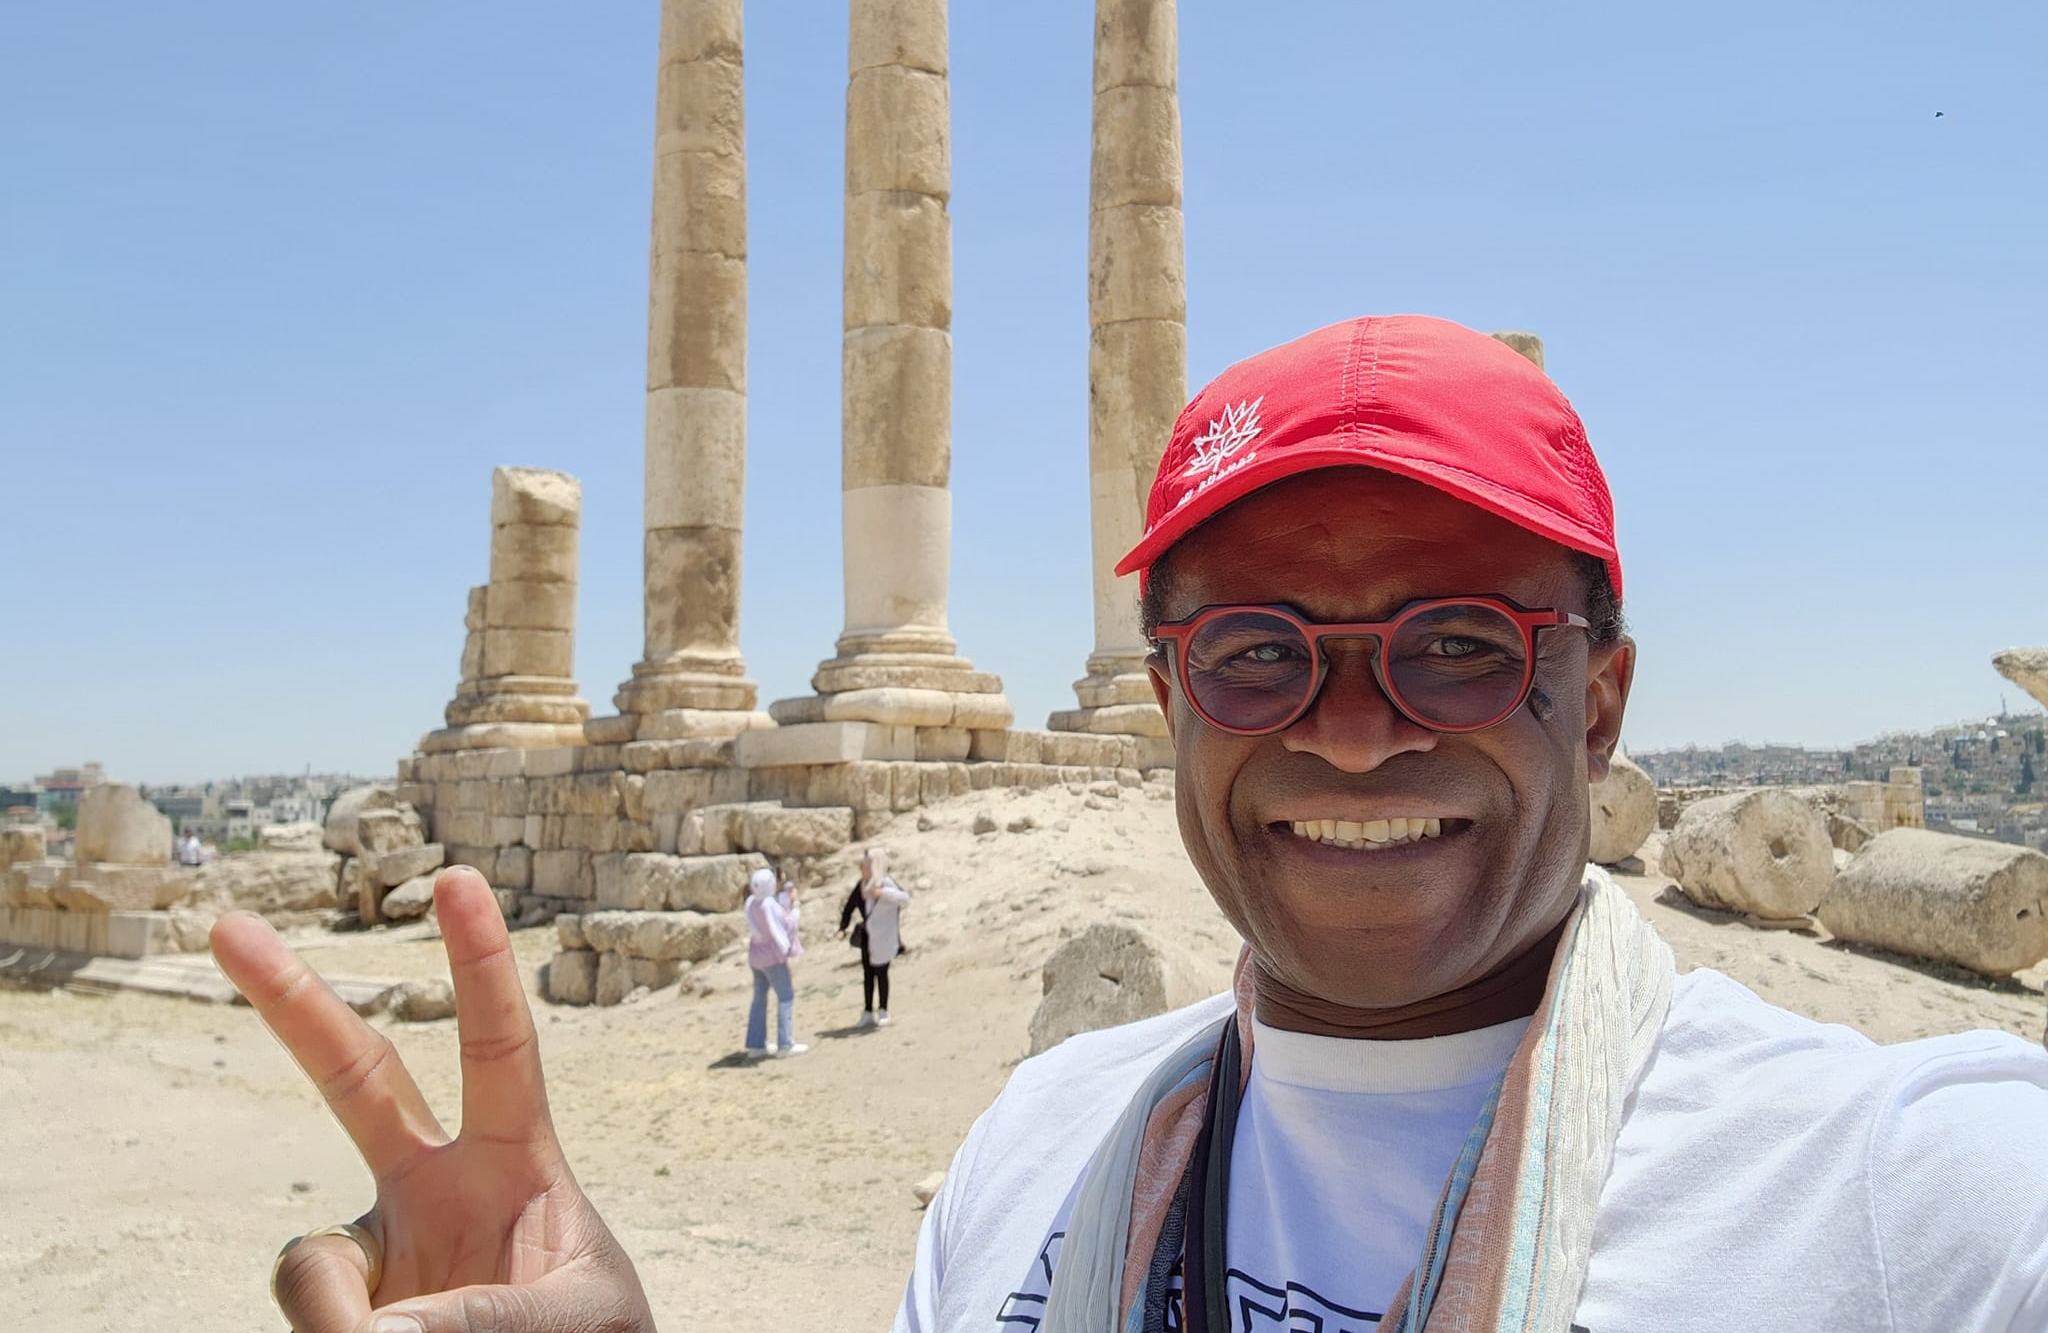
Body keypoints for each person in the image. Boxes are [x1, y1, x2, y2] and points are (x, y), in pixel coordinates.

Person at [211, 315, 2048, 1333]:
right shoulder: (1036, 1153)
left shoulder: (1913, 1203)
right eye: (1254, 655)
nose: (1349, 733)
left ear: (1604, 699)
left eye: (1458, 645)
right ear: (1166, 701)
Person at [839, 847, 911, 1028]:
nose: (861, 869)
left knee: (882, 973)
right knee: (868, 974)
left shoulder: (886, 883)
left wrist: (882, 893)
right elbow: (850, 906)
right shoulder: (862, 886)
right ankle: (868, 1012)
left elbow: (904, 899)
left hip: (884, 937)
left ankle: (883, 1010)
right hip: (868, 937)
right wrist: (842, 927)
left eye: (864, 866)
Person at [742, 866, 805, 1062]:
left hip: (756, 956)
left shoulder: (752, 902)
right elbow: (786, 926)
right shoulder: (769, 905)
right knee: (785, 996)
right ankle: (785, 1043)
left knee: (759, 999)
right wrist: (795, 906)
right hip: (772, 958)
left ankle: (756, 1045)